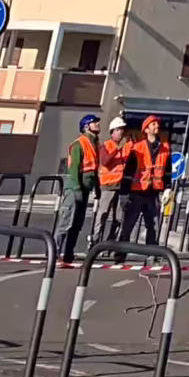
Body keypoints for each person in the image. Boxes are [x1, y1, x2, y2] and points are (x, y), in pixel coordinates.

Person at [57, 111, 99, 265]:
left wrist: (97, 188)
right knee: (67, 222)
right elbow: (73, 168)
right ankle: (55, 251)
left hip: (85, 190)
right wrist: (76, 188)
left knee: (77, 225)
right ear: (87, 126)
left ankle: (68, 253)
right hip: (75, 190)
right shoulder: (79, 144)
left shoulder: (95, 144)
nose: (98, 125)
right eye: (95, 122)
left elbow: (94, 169)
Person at [123, 115, 171, 248]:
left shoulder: (165, 148)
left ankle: (152, 254)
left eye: (157, 124)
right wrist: (124, 193)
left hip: (153, 193)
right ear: (146, 129)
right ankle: (120, 254)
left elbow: (167, 171)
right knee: (128, 224)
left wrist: (167, 188)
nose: (157, 126)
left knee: (153, 226)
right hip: (137, 192)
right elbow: (128, 172)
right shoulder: (137, 148)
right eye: (153, 124)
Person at [94, 113, 133, 250]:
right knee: (103, 214)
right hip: (108, 185)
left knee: (118, 217)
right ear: (113, 131)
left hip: (121, 186)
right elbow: (105, 161)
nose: (121, 132)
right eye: (119, 129)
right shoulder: (106, 146)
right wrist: (117, 149)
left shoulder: (127, 146)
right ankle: (95, 242)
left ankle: (110, 244)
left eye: (122, 129)